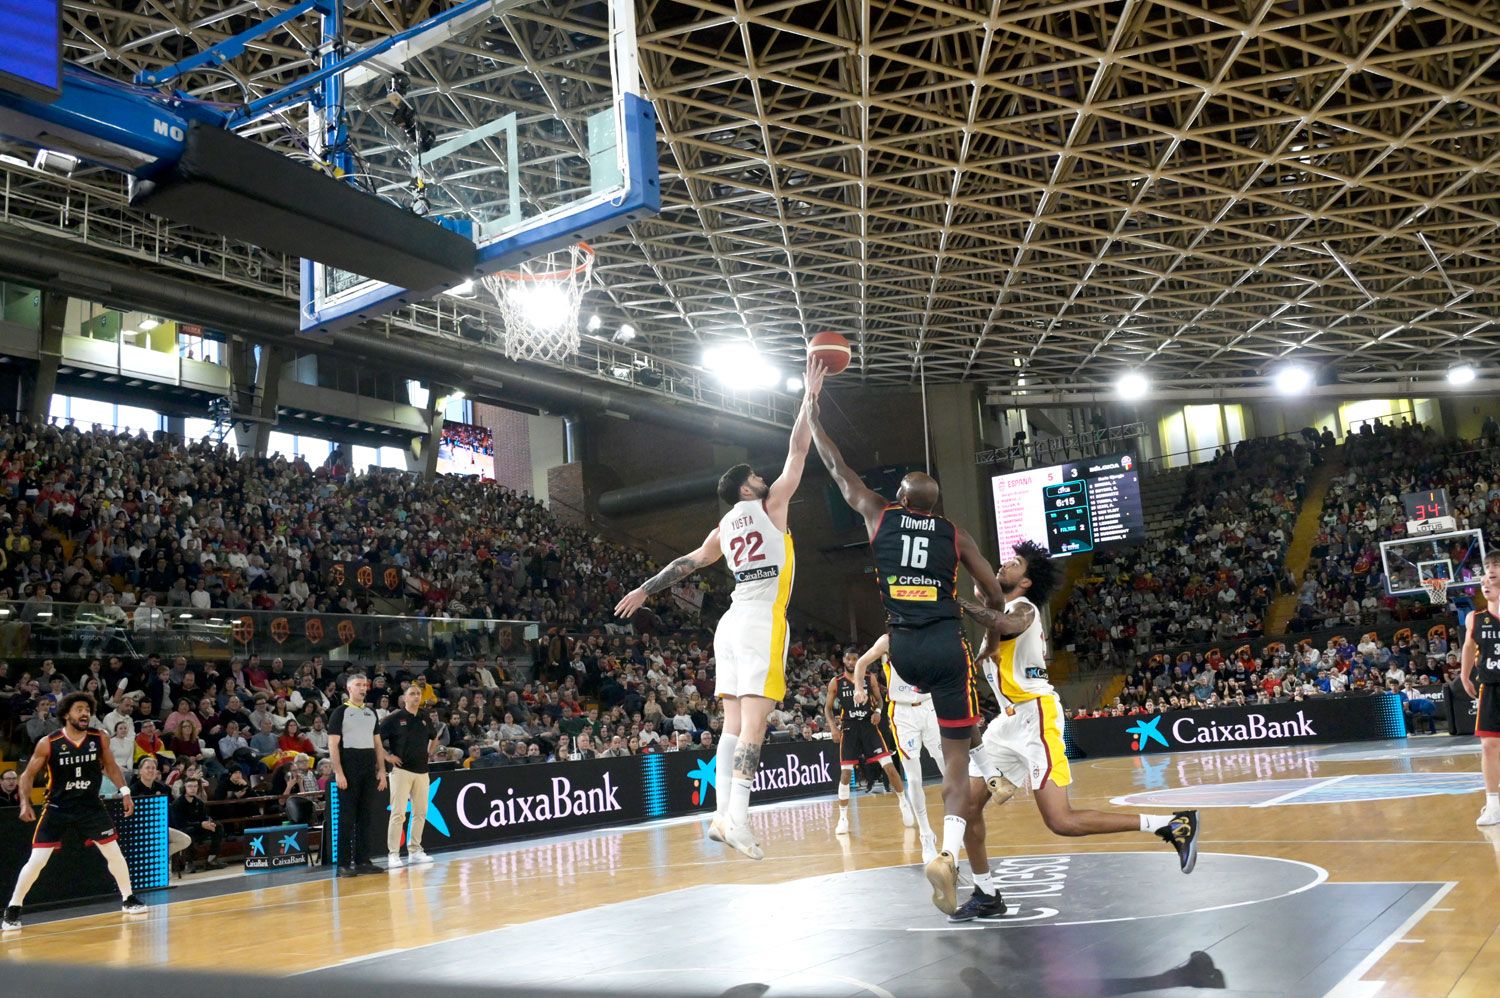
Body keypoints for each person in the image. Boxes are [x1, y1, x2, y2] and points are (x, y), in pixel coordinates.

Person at [614, 358, 824, 860]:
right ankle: (741, 821)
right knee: (755, 724)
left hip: (728, 625)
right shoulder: (773, 505)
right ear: (747, 489)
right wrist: (810, 398)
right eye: (755, 475)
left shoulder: (722, 528)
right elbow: (799, 448)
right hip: (759, 619)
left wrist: (645, 589)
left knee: (731, 724)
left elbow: (686, 564)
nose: (763, 476)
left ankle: (721, 815)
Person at [808, 400, 1009, 913]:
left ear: (899, 497)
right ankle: (946, 851)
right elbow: (995, 596)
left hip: (903, 650)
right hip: (946, 645)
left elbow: (837, 468)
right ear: (935, 505)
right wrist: (983, 618)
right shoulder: (955, 533)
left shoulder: (880, 516)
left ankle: (967, 868)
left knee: (920, 750)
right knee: (957, 764)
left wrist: (812, 415)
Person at [949, 541, 1200, 922]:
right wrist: (954, 547)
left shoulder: (1024, 609)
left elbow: (1002, 621)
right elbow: (981, 580)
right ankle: (985, 893)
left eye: (1014, 563)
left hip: (1037, 718)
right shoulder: (1000, 602)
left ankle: (1170, 824)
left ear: (1028, 581)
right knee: (965, 809)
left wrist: (953, 604)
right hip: (1006, 722)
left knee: (1060, 821)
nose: (1004, 564)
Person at [4, 692, 147, 931]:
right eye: (79, 709)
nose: (85, 714)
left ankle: (128, 898)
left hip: (90, 805)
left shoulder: (99, 737)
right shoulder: (48, 742)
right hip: (58, 807)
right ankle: (13, 909)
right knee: (37, 861)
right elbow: (27, 774)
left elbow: (111, 767)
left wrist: (125, 791)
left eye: (87, 710)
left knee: (114, 853)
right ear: (66, 714)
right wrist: (25, 803)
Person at [854, 633, 944, 861]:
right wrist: (859, 688)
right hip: (903, 712)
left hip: (930, 706)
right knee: (914, 778)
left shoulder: (931, 633)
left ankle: (956, 823)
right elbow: (861, 663)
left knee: (948, 769)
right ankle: (925, 834)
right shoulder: (888, 640)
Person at [825, 648, 910, 836]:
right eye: (848, 659)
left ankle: (903, 803)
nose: (852, 662)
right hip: (849, 728)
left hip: (868, 725)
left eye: (855, 659)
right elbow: (828, 708)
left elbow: (880, 700)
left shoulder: (869, 678)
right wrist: (833, 727)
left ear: (859, 660)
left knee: (889, 766)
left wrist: (879, 712)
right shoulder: (836, 682)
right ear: (844, 660)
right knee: (845, 774)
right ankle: (843, 817)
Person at [328, 673, 388, 876]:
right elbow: (333, 745)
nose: (363, 688)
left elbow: (378, 744)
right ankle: (343, 864)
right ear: (349, 689)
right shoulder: (340, 712)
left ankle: (363, 860)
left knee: (366, 817)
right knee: (346, 818)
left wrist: (381, 770)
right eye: (358, 685)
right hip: (349, 769)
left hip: (367, 768)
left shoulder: (371, 713)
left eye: (365, 684)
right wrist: (339, 773)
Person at [379, 684, 439, 869]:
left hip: (422, 771)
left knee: (420, 812)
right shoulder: (394, 718)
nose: (415, 696)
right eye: (412, 694)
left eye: (418, 694)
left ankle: (415, 851)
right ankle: (393, 854)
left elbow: (434, 737)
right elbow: (376, 740)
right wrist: (388, 756)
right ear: (404, 698)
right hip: (401, 771)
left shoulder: (424, 717)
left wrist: (429, 753)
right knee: (398, 814)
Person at [1461, 556, 1500, 826]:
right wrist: (1464, 675)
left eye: (1493, 576)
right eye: (1484, 578)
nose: (1486, 582)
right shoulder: (1474, 618)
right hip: (1491, 687)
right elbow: (1467, 646)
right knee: (1488, 745)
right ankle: (1493, 804)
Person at [169, 777, 225, 873]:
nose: (193, 788)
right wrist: (200, 824)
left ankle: (211, 859)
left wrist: (208, 822)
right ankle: (189, 863)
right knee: (188, 834)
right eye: (190, 786)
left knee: (218, 826)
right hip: (182, 830)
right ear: (184, 788)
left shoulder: (199, 802)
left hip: (197, 828)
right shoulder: (177, 804)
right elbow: (180, 824)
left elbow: (203, 817)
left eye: (195, 786)